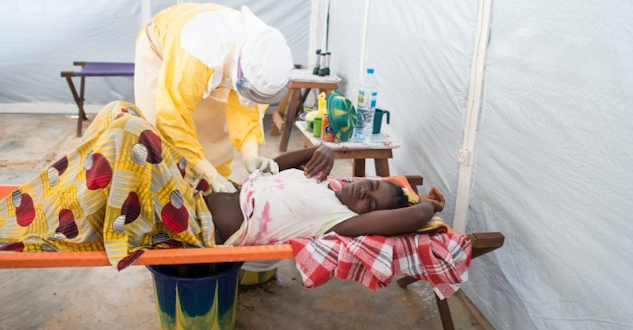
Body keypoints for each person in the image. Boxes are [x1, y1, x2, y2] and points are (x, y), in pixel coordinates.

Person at [0, 101, 445, 269]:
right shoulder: (322, 184)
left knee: (130, 135)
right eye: (368, 187)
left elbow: (407, 216)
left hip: (191, 221)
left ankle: (45, 218)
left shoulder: (337, 221)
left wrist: (426, 207)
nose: (362, 195)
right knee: (120, 113)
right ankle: (54, 198)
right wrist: (321, 151)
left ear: (371, 216)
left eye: (371, 203)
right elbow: (273, 165)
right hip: (192, 190)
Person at [134, 2, 294, 193]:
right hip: (161, 47)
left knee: (215, 132)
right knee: (157, 138)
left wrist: (250, 154)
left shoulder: (264, 52)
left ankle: (209, 191)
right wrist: (208, 174)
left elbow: (245, 107)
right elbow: (171, 118)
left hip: (215, 53)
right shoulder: (194, 55)